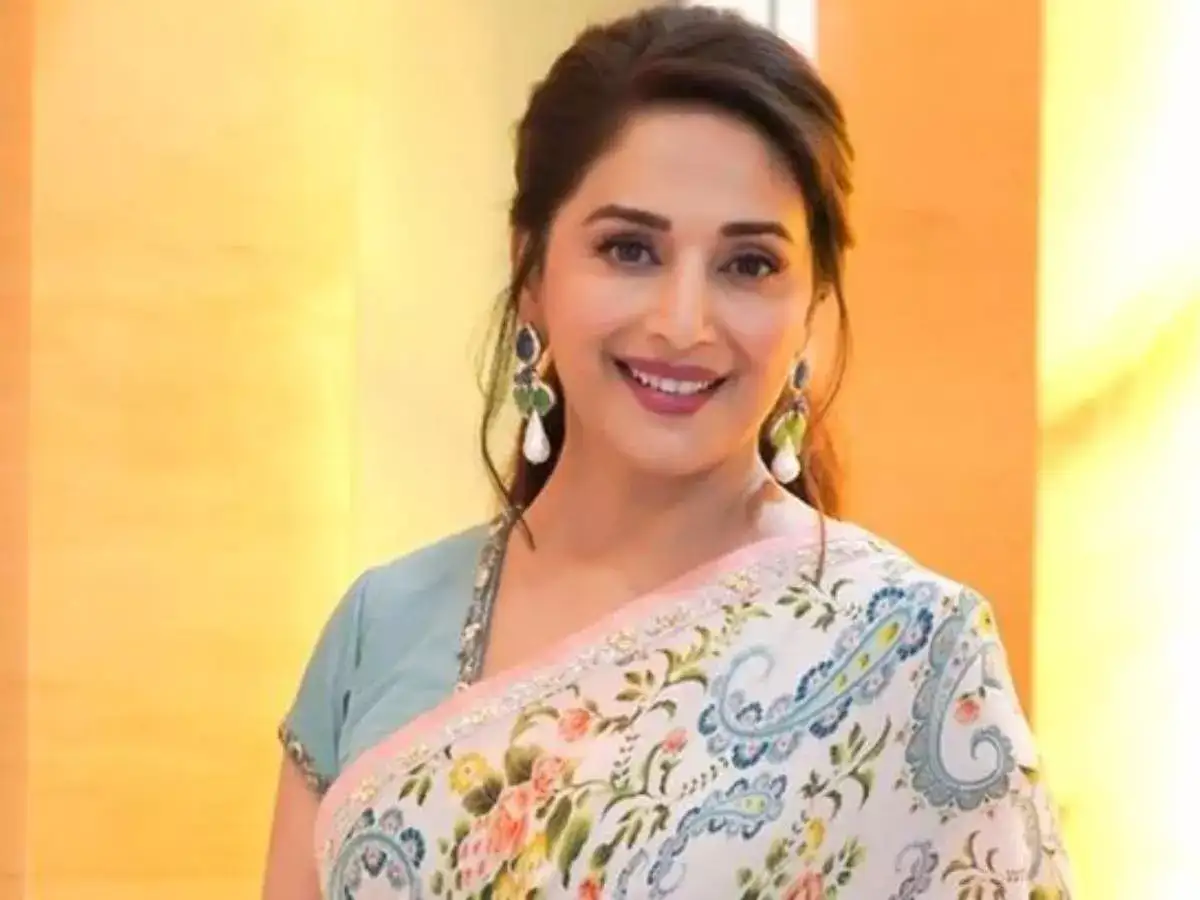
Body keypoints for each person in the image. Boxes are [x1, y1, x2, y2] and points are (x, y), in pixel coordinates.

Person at [262, 5, 1073, 898]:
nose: (683, 323)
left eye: (749, 264)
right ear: (531, 269)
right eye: (630, 249)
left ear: (812, 303)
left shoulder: (911, 653)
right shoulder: (381, 628)